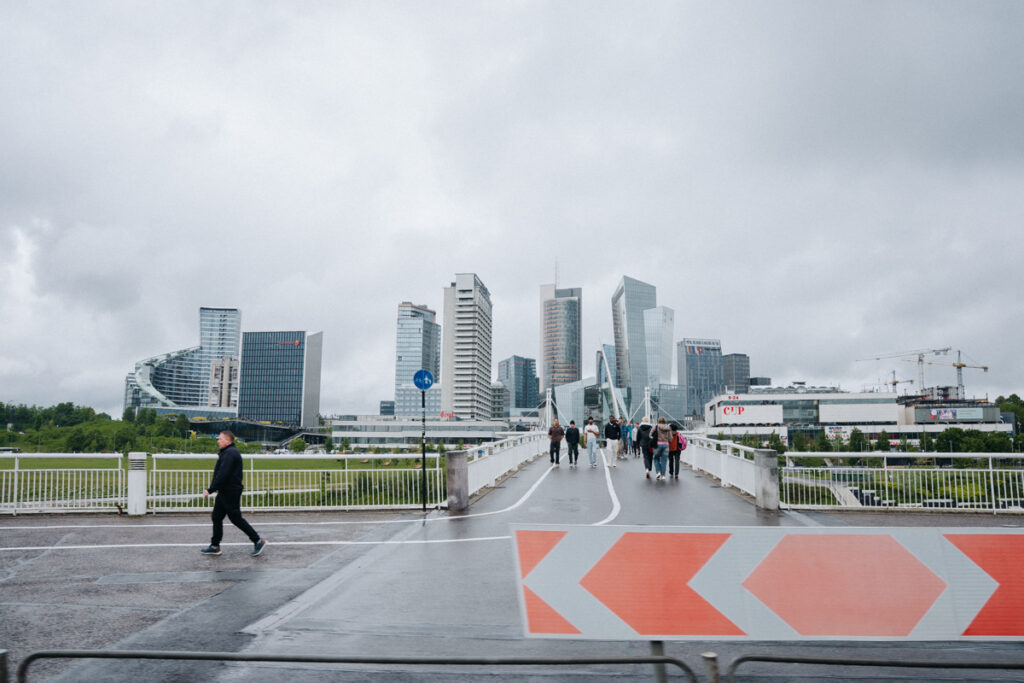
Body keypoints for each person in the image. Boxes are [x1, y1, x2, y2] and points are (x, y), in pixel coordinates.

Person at [201, 431, 265, 556]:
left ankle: (258, 540)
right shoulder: (228, 452)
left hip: (230, 491)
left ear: (227, 440)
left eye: (220, 439)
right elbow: (220, 474)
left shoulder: (230, 454)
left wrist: (210, 489)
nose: (218, 441)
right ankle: (215, 545)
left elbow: (223, 474)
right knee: (216, 516)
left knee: (236, 518)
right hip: (225, 490)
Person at [650, 417, 672, 481]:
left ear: (658, 421)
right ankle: (663, 476)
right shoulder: (668, 428)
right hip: (666, 445)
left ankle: (658, 472)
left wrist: (654, 438)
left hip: (657, 445)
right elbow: (670, 438)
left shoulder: (656, 427)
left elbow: (650, 435)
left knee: (656, 458)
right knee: (664, 461)